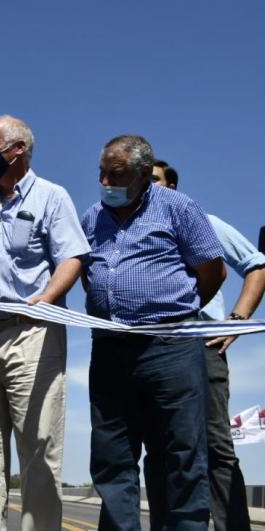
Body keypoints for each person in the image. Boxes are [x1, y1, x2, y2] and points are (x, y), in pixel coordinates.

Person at [0, 115, 90, 530]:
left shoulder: (51, 197)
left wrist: (46, 300)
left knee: (38, 447)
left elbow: (73, 258)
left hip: (29, 336)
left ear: (18, 150)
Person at [82, 135, 225, 530]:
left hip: (170, 348)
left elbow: (212, 271)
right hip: (110, 350)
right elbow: (87, 275)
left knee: (181, 454)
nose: (106, 182)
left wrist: (175, 311)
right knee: (113, 458)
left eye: (117, 174)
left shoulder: (177, 208)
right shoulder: (93, 216)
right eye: (102, 173)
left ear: (144, 174)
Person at [152, 160, 265, 531]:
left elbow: (256, 263)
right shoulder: (132, 232)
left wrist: (236, 322)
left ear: (173, 187)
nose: (147, 187)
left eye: (154, 180)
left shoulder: (205, 223)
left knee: (215, 444)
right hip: (151, 344)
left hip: (201, 341)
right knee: (159, 447)